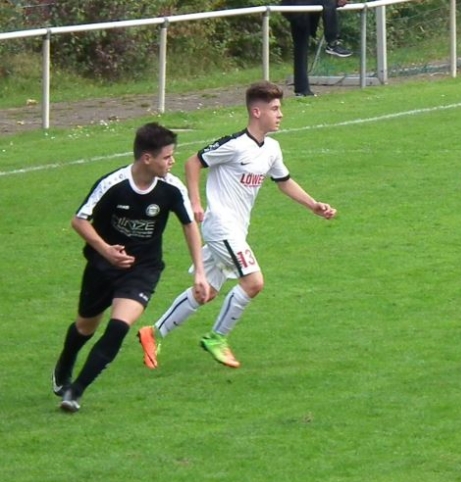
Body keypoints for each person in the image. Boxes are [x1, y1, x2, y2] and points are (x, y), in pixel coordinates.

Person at [137, 81, 337, 370]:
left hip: (236, 230)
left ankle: (153, 333)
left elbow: (284, 181)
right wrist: (195, 202)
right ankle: (217, 337)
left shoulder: (272, 149)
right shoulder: (234, 145)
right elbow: (193, 162)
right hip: (221, 227)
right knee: (254, 282)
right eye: (275, 109)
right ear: (257, 112)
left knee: (206, 292)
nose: (280, 114)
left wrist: (313, 205)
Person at [52, 123, 209, 413]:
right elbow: (79, 220)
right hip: (102, 266)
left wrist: (200, 271)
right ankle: (65, 362)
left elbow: (189, 225)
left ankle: (76, 390)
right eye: (167, 157)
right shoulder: (113, 184)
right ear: (147, 158)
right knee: (85, 327)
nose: (172, 162)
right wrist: (106, 251)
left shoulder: (172, 188)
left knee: (118, 327)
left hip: (143, 269)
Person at [281, 0, 352, 97]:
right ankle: (332, 42)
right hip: (296, 6)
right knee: (328, 2)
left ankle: (302, 89)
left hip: (303, 10)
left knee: (301, 49)